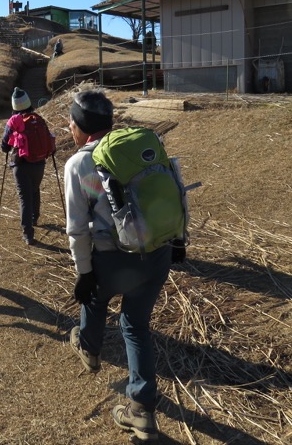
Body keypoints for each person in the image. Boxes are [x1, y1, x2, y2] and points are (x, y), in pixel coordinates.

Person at [64, 89, 172, 443]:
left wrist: (83, 272)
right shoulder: (140, 145)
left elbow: (78, 228)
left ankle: (89, 349)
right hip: (157, 253)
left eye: (71, 123)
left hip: (113, 259)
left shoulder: (80, 164)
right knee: (135, 325)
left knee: (94, 297)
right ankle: (141, 411)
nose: (68, 127)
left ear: (80, 128)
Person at [0, 88, 46, 245]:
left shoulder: (13, 121)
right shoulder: (38, 119)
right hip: (40, 163)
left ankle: (28, 234)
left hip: (21, 165)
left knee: (24, 198)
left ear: (14, 106)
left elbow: (4, 146)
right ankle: (35, 218)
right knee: (35, 189)